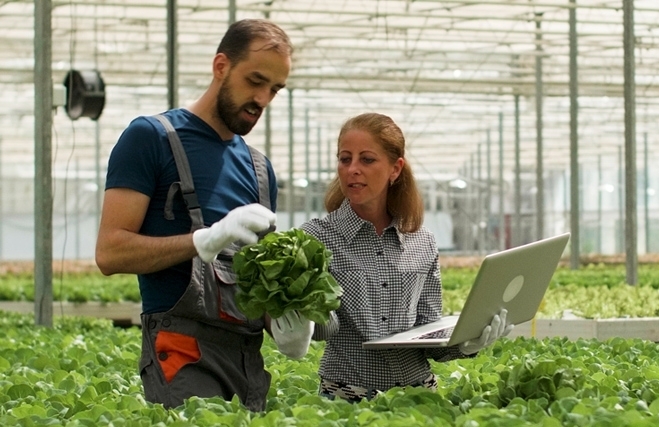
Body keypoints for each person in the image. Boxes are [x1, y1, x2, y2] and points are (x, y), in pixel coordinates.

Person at [95, 19, 305, 411]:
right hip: (183, 352)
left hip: (246, 359)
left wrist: (285, 323)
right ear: (221, 66)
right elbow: (110, 252)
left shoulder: (260, 170)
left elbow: (253, 283)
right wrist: (203, 240)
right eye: (255, 80)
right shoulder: (152, 138)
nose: (262, 98)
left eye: (274, 89)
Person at [296, 112, 514, 402]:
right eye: (345, 159)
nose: (352, 169)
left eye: (367, 159)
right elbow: (323, 330)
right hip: (347, 397)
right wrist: (299, 310)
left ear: (395, 169)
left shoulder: (422, 241)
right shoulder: (316, 238)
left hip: (420, 396)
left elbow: (428, 329)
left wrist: (467, 342)